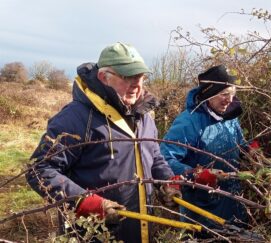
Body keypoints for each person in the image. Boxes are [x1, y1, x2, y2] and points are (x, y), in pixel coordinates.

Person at [26, 42, 180, 243]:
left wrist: (166, 182)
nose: (137, 84)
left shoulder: (144, 116)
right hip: (95, 234)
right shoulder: (75, 118)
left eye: (141, 77)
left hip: (141, 231)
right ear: (103, 78)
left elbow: (154, 157)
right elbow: (39, 169)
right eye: (127, 77)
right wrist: (83, 201)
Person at [160, 65, 249, 231]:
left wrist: (251, 150)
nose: (229, 100)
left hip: (234, 203)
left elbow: (240, 145)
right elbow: (165, 157)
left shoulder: (230, 117)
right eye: (224, 94)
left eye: (232, 94)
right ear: (209, 94)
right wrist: (197, 174)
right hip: (202, 210)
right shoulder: (189, 122)